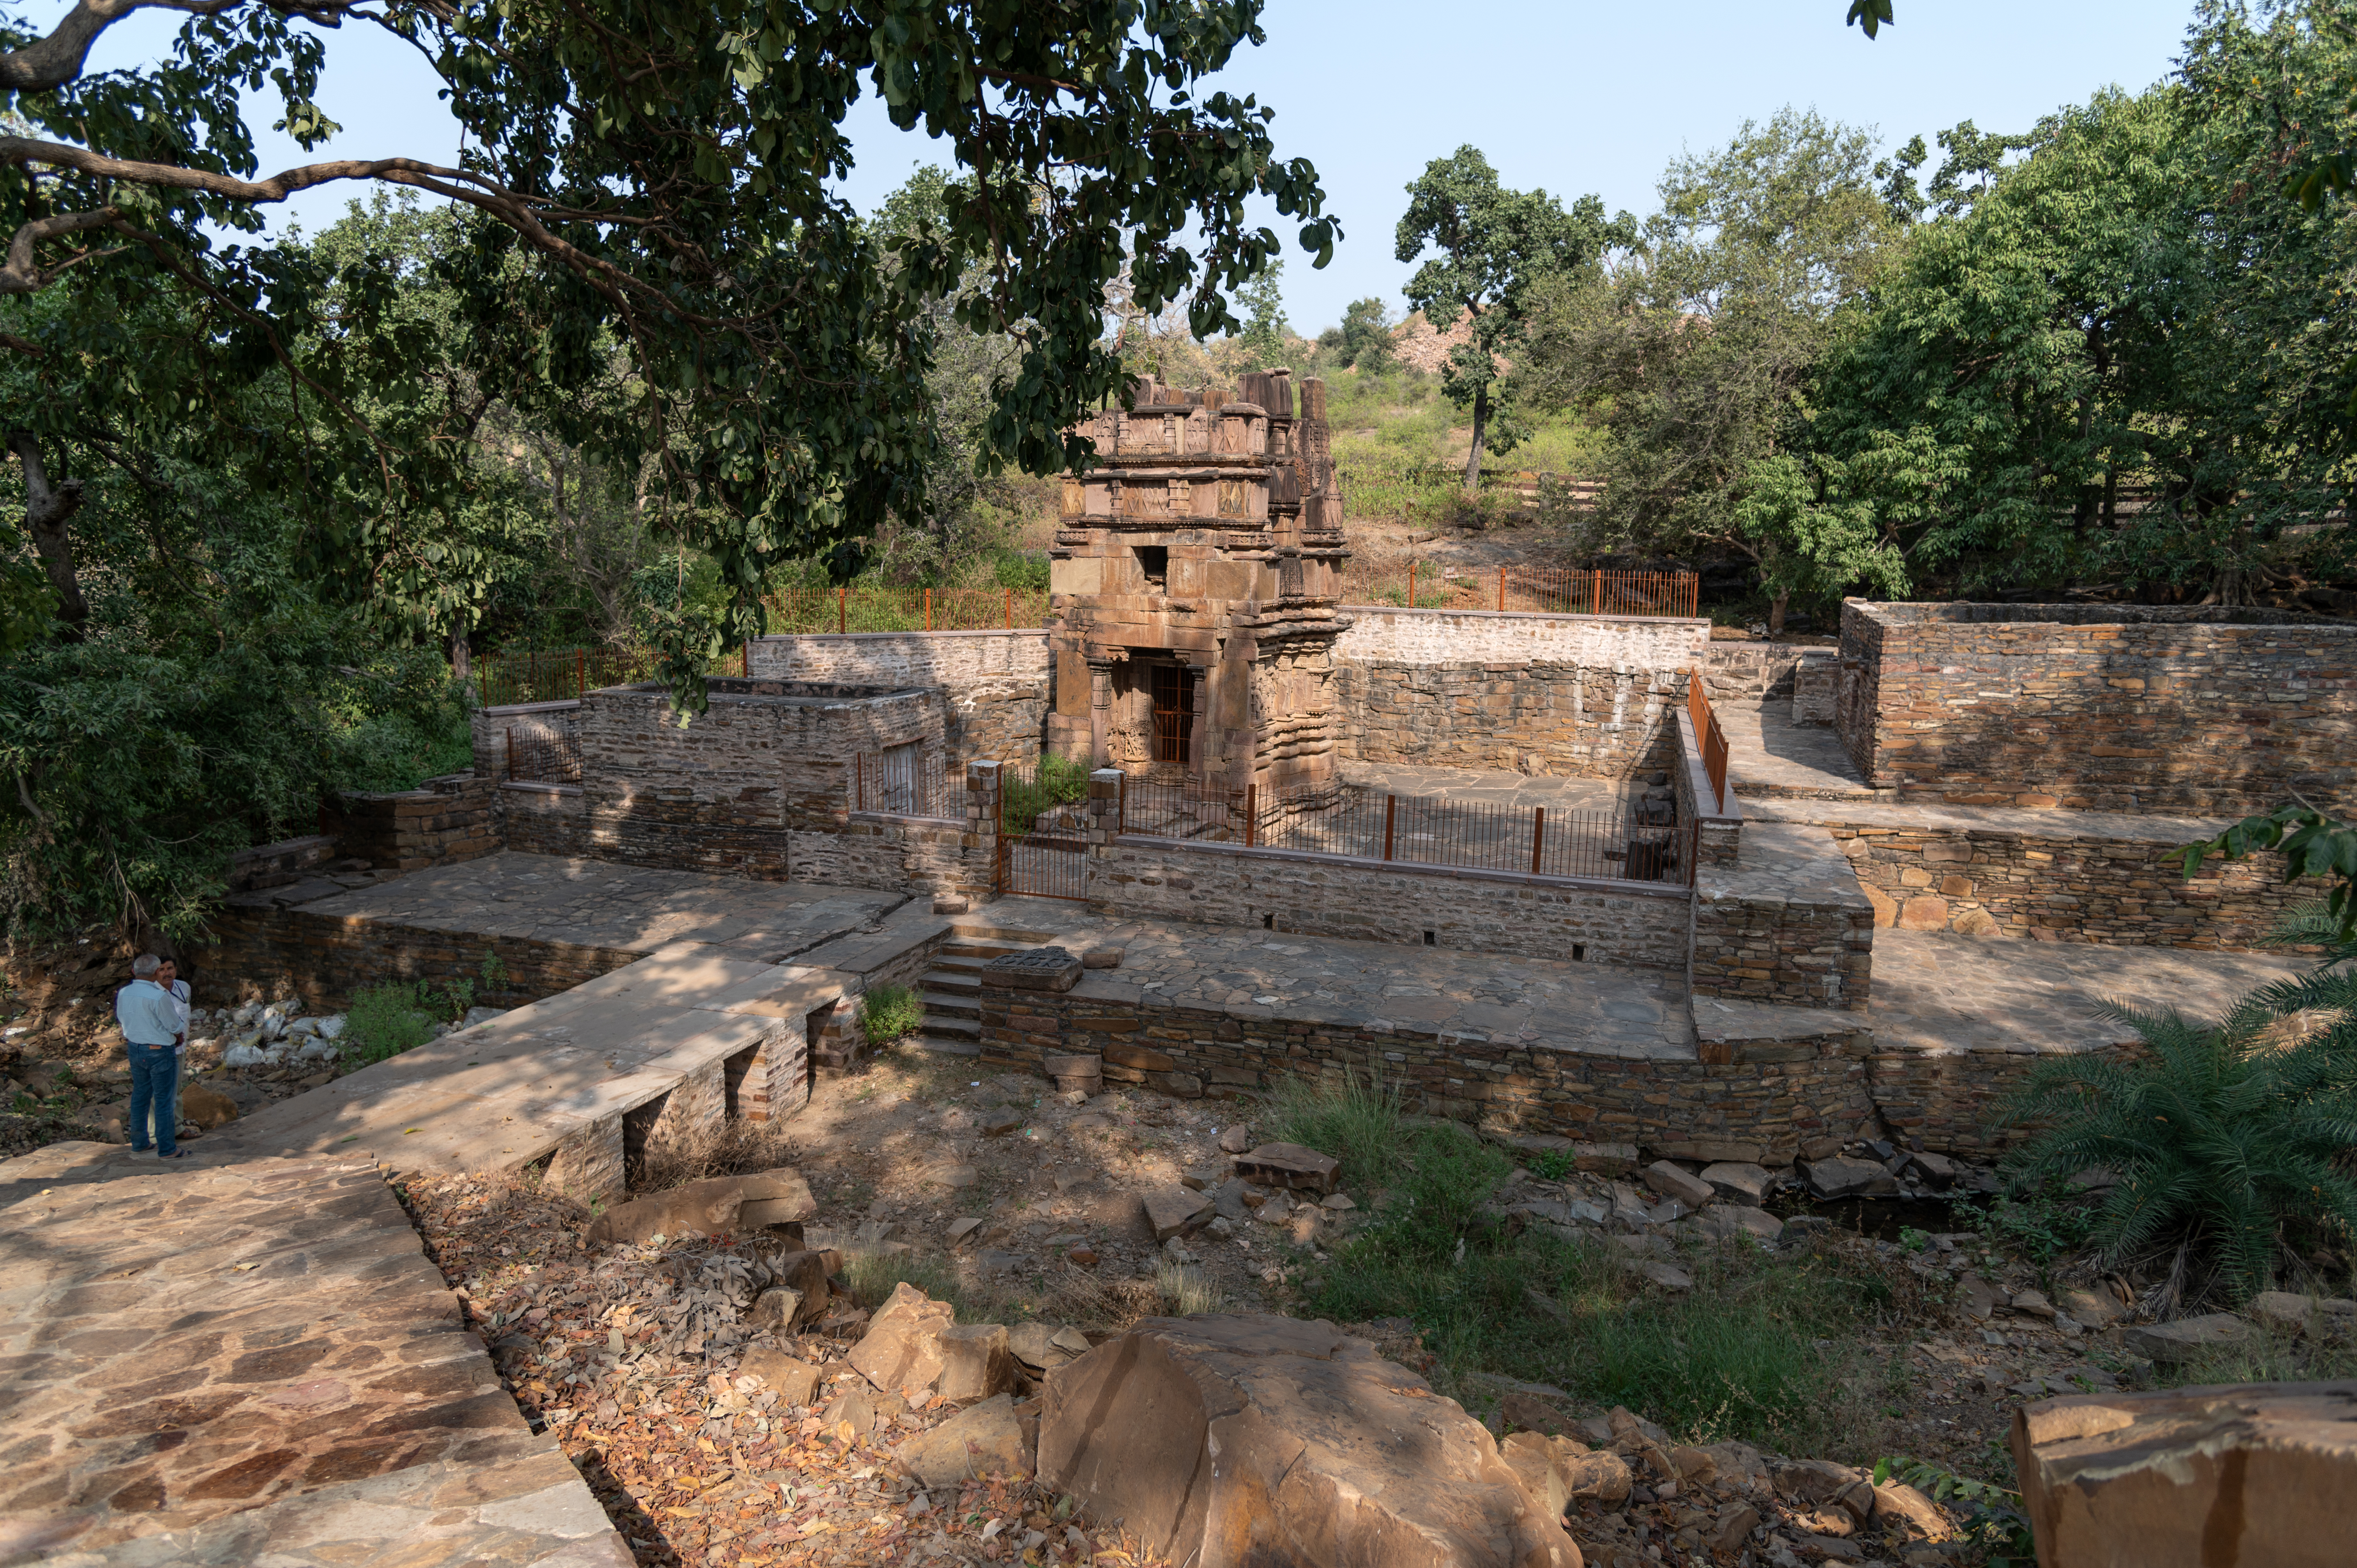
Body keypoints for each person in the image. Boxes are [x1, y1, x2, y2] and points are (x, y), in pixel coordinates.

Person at [115, 954, 187, 1159]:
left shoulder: (124, 992)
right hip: (160, 1051)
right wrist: (177, 1036)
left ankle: (140, 1143)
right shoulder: (158, 996)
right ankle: (167, 1149)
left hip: (135, 1049)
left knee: (140, 1097)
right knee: (165, 1101)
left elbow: (122, 1018)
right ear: (157, 972)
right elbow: (175, 1026)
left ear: (134, 972)